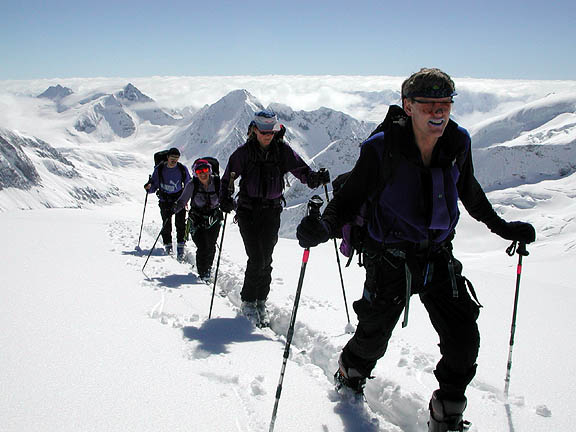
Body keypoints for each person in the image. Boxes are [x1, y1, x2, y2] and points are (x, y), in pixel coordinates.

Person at [296, 68, 536, 431]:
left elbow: (469, 190)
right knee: (373, 336)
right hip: (389, 258)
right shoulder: (381, 149)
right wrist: (325, 227)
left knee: (463, 339)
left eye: (445, 104)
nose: (438, 112)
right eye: (428, 105)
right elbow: (349, 199)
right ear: (408, 107)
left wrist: (503, 227)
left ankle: (448, 409)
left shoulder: (458, 142)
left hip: (438, 255)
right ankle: (351, 372)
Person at [220, 109, 329, 327]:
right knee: (256, 257)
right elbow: (228, 178)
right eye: (264, 131)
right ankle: (248, 302)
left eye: (271, 131)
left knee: (266, 258)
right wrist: (225, 198)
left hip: (271, 211)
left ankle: (261, 301)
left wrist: (316, 178)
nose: (268, 135)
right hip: (248, 211)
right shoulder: (244, 153)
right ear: (254, 130)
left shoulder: (282, 151)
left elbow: (301, 170)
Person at [173, 158, 222, 282]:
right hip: (197, 220)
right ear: (195, 173)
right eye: (199, 171)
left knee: (211, 245)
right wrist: (173, 210)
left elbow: (226, 199)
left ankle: (207, 270)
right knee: (202, 246)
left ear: (209, 170)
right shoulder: (192, 184)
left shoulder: (218, 183)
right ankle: (203, 273)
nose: (202, 173)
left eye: (205, 170)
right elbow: (182, 201)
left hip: (213, 219)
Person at [145, 147, 191, 258]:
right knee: (166, 225)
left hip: (179, 200)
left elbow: (189, 184)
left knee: (180, 224)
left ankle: (180, 247)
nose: (174, 160)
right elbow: (154, 184)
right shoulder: (160, 169)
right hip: (165, 200)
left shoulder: (182, 169)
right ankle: (168, 246)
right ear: (167, 157)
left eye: (176, 158)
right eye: (172, 157)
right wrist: (149, 188)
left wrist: (187, 198)